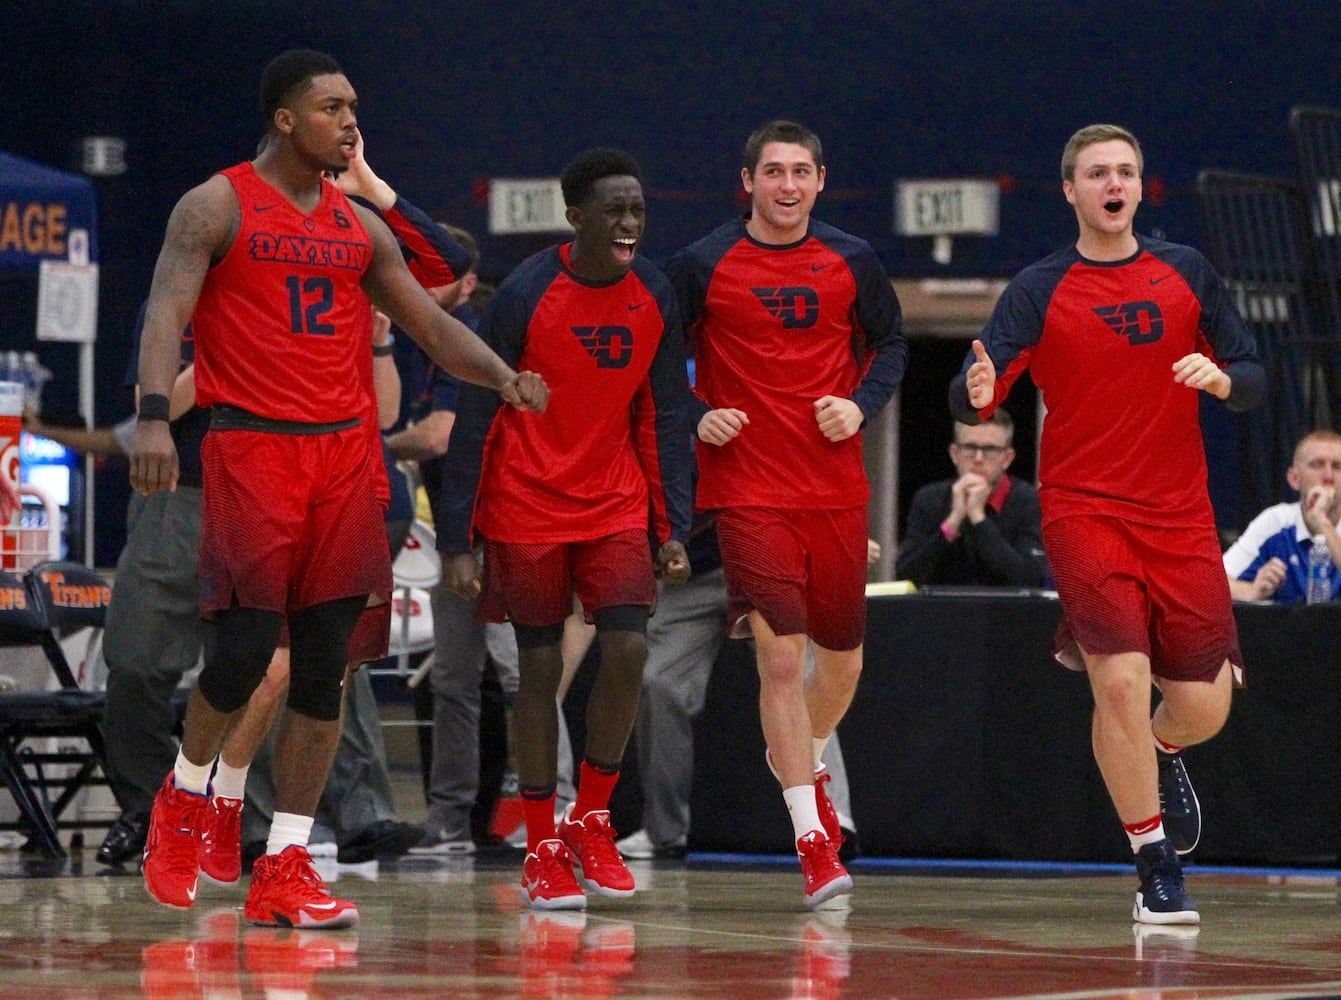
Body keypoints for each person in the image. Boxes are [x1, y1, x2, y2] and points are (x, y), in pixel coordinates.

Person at [131, 49, 547, 930]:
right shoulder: (215, 203)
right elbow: (167, 309)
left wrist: (502, 376)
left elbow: (431, 318)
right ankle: (181, 798)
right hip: (253, 450)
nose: (350, 120)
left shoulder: (360, 226)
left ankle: (284, 861)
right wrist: (153, 417)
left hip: (346, 460)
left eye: (354, 106)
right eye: (331, 107)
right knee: (243, 653)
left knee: (327, 662)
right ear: (286, 119)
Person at [950, 123, 1264, 925]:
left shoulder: (1184, 271)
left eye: (1124, 171)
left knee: (1201, 706)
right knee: (1119, 680)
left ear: (1137, 186)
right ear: (1070, 190)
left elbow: (1254, 375)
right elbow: (972, 391)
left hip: (1179, 516)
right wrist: (975, 385)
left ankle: (1162, 752)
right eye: (1096, 172)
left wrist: (1222, 380)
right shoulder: (1037, 287)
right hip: (1084, 509)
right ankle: (1153, 865)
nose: (1111, 183)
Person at [437, 147, 693, 910]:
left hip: (613, 501)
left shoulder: (653, 291)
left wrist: (669, 520)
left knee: (628, 648)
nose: (628, 223)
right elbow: (476, 414)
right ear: (575, 216)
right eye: (613, 210)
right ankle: (543, 842)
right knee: (540, 670)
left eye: (638, 210)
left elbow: (664, 414)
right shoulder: (522, 294)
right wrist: (458, 537)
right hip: (527, 504)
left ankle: (591, 819)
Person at [667, 119, 906, 909]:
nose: (787, 185)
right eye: (772, 172)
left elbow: (892, 345)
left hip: (834, 490)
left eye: (800, 171)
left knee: (842, 667)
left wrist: (860, 402)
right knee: (780, 659)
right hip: (747, 490)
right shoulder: (702, 264)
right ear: (748, 183)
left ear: (820, 180)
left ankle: (793, 757)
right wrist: (697, 409)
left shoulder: (851, 259)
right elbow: (656, 358)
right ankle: (812, 837)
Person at [615, 506, 870, 861]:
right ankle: (664, 831)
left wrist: (827, 535)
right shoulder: (672, 450)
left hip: (765, 558)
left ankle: (833, 816)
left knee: (801, 674)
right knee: (657, 680)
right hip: (692, 573)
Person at [895, 409, 1046, 587]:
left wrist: (978, 517)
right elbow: (906, 575)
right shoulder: (929, 498)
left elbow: (1029, 578)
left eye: (990, 449)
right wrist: (953, 521)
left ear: (1007, 458)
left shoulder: (1028, 500)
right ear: (954, 454)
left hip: (1006, 612)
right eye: (970, 448)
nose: (978, 458)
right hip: (941, 611)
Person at [1222, 429, 1341, 603]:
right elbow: (1212, 583)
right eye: (1317, 465)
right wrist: (1252, 591)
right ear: (1294, 479)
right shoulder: (1275, 521)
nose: (1328, 477)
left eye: (1338, 467)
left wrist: (1321, 521)